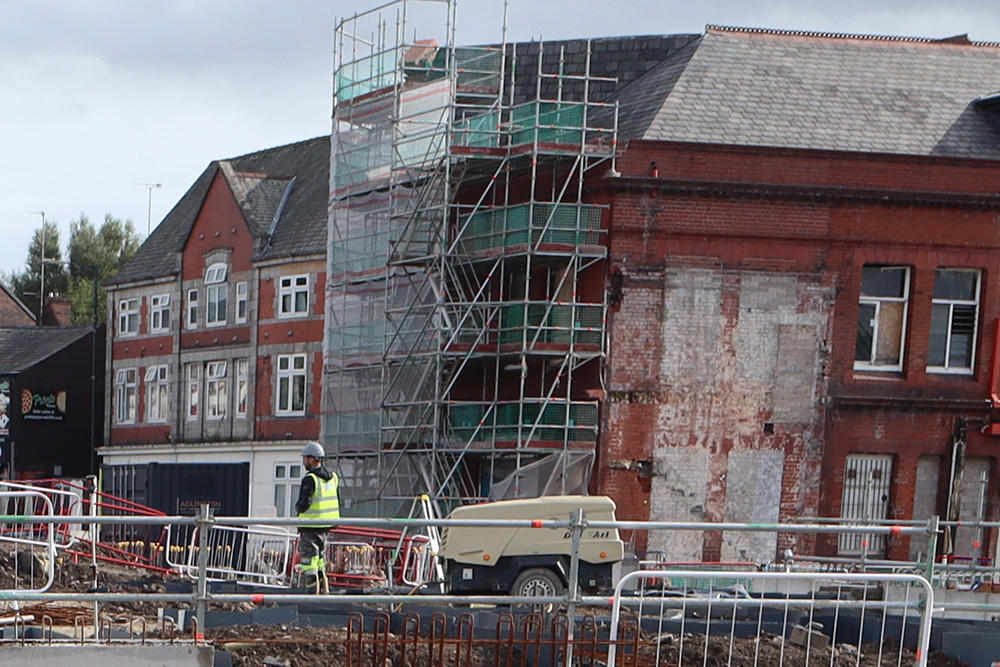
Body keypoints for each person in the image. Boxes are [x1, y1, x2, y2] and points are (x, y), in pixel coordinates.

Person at [295, 441, 340, 594]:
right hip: (326, 526)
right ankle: (324, 593)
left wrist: (297, 509)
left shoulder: (310, 479)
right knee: (319, 561)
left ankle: (312, 596)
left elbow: (304, 503)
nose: (304, 462)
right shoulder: (333, 477)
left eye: (305, 458)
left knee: (308, 563)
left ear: (312, 459)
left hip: (310, 526)